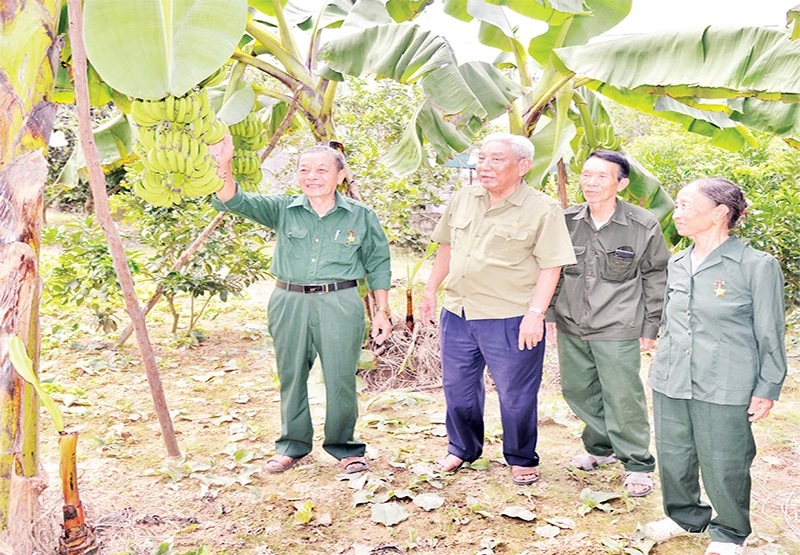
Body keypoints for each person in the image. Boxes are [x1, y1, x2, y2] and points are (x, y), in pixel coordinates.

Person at [209, 135, 392, 474]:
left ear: (340, 176)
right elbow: (233, 200)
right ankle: (292, 445)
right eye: (304, 169)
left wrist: (382, 310)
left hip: (339, 302)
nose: (312, 176)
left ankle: (345, 446)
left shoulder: (361, 215)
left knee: (340, 377)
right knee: (291, 373)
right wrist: (224, 164)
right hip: (288, 300)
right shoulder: (283, 208)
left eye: (322, 169)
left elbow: (378, 262)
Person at [419, 133, 576, 485]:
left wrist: (535, 314)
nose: (484, 166)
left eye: (496, 159)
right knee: (457, 388)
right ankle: (462, 448)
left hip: (509, 316)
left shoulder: (542, 208)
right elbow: (446, 246)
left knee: (516, 393)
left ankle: (521, 457)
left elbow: (552, 265)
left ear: (522, 166)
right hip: (458, 311)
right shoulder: (464, 198)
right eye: (483, 158)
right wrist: (431, 289)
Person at [644, 178, 787, 555]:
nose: (677, 213)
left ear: (720, 213)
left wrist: (767, 387)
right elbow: (670, 321)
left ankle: (729, 532)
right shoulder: (677, 262)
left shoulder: (756, 266)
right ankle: (684, 516)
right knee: (674, 453)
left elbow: (770, 331)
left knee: (725, 460)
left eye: (686, 205)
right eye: (676, 205)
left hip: (727, 378)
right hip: (672, 376)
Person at [548, 150, 669, 497]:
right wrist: (550, 315)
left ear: (622, 183)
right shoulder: (567, 220)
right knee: (578, 391)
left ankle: (638, 464)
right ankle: (601, 449)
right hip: (572, 324)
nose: (591, 182)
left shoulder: (642, 224)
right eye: (586, 175)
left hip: (618, 326)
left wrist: (650, 326)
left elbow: (656, 275)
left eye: (602, 176)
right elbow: (552, 271)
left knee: (622, 396)